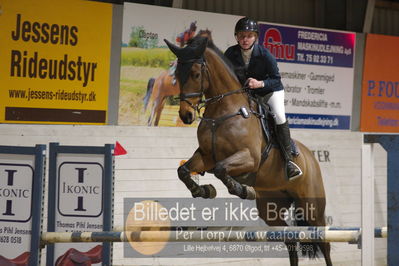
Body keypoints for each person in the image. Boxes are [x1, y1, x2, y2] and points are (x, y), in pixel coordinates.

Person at [224, 17, 302, 180]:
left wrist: (260, 84)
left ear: (255, 37)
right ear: (236, 36)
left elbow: (276, 79)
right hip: (247, 94)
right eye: (242, 35)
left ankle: (289, 161)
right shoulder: (230, 53)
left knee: (279, 116)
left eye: (249, 35)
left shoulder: (265, 55)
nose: (245, 39)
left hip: (270, 91)